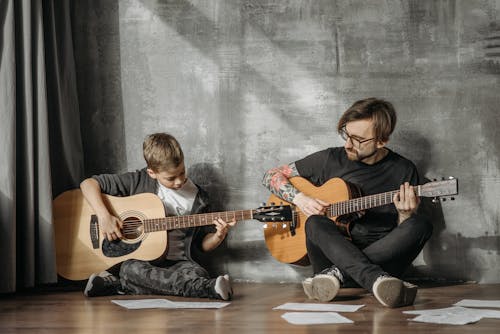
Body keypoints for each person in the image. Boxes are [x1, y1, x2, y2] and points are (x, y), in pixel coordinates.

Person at [262, 97, 432, 308]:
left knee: (420, 225)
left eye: (358, 139)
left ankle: (339, 275)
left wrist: (406, 215)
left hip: (381, 260)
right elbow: (270, 176)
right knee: (314, 222)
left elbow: (401, 235)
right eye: (346, 134)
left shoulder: (404, 169)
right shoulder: (330, 159)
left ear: (381, 141)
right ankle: (373, 280)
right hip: (333, 257)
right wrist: (301, 198)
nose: (348, 144)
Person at [81, 133, 235, 300]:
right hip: (144, 264)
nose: (178, 181)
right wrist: (104, 216)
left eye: (182, 172)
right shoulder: (138, 180)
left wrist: (218, 236)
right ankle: (208, 289)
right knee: (130, 269)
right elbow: (88, 184)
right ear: (152, 173)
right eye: (170, 178)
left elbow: (200, 245)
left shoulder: (200, 198)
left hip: (180, 264)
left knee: (198, 272)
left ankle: (118, 285)